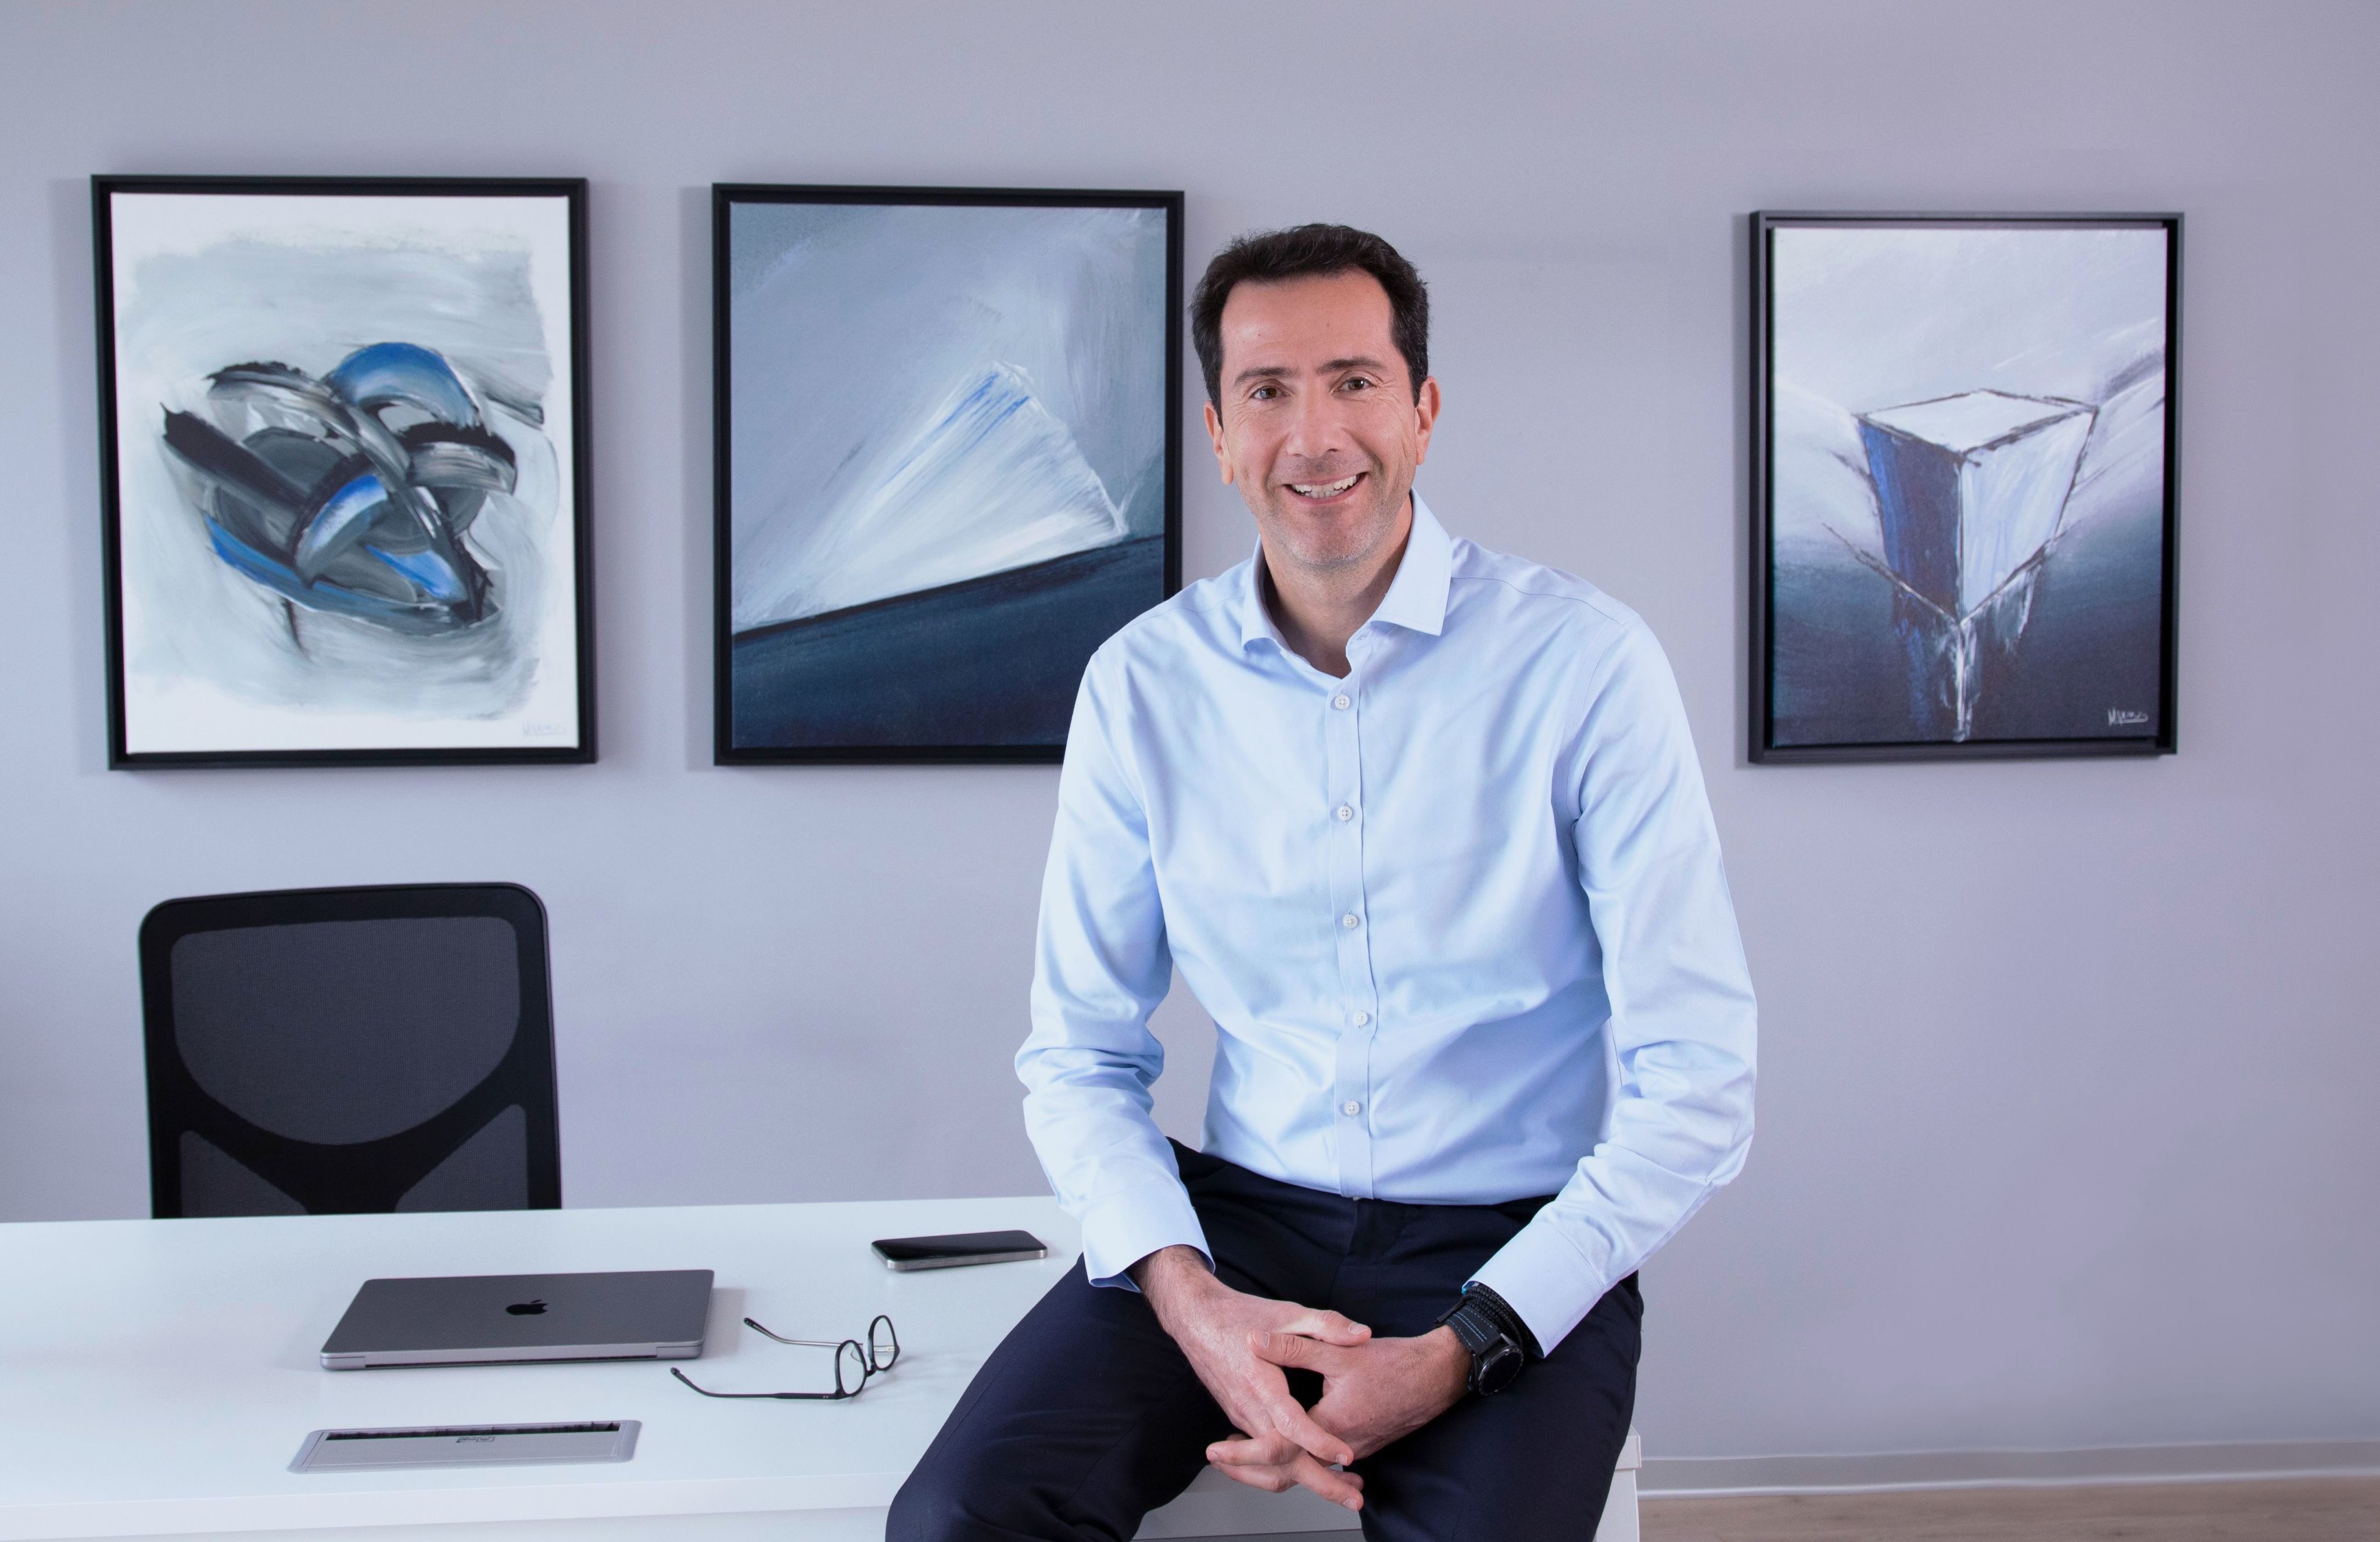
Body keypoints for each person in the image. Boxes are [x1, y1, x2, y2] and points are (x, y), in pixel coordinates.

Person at [889, 224, 1756, 1541]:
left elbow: (1696, 1073)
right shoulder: (1141, 683)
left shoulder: (1585, 666)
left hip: (1508, 1239)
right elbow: (1076, 1051)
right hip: (1234, 1227)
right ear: (1219, 433)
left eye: (1353, 380)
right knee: (959, 1517)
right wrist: (1195, 1304)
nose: (1314, 435)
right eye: (1267, 391)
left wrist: (1460, 1345)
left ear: (1422, 409)